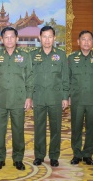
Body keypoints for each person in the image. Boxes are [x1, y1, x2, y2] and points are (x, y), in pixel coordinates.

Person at [0, 26, 33, 170]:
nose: (9, 39)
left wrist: (29, 97)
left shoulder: (25, 56)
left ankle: (18, 158)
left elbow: (30, 78)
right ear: (2, 40)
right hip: (0, 99)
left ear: (17, 39)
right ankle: (0, 158)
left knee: (18, 130)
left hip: (18, 99)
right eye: (6, 37)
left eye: (12, 37)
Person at [30, 25, 69, 167]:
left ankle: (54, 156)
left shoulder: (61, 55)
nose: (47, 40)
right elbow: (29, 78)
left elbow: (65, 77)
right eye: (44, 37)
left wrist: (65, 97)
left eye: (50, 37)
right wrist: (29, 97)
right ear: (39, 38)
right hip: (38, 97)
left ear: (54, 38)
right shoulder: (32, 55)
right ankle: (39, 156)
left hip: (55, 97)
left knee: (56, 128)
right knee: (39, 128)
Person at [68, 30, 93, 165]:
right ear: (78, 42)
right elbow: (68, 78)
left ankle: (88, 154)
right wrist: (68, 96)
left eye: (89, 39)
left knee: (91, 128)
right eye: (83, 39)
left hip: (92, 100)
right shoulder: (71, 58)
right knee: (76, 127)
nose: (86, 42)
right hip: (77, 100)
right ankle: (76, 154)